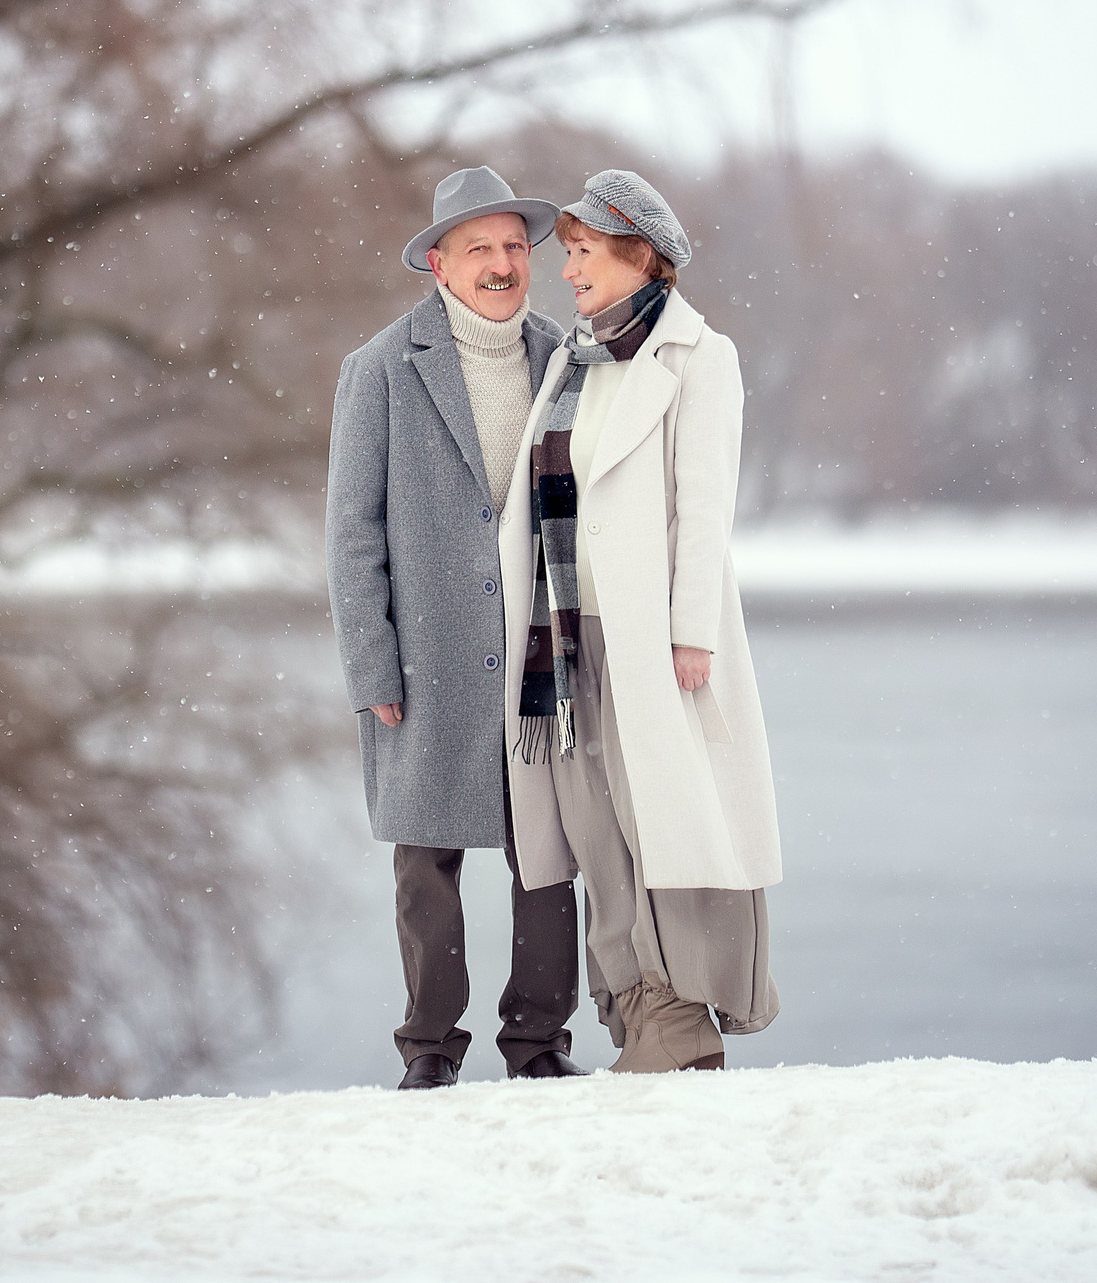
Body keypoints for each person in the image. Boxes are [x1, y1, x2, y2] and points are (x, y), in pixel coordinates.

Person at [498, 168, 782, 1072]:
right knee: (596, 828)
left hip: (652, 642)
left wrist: (690, 630)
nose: (567, 270)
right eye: (568, 254)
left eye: (582, 253)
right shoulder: (574, 362)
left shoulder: (702, 356)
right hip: (569, 638)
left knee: (667, 820)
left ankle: (680, 1022)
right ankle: (634, 1012)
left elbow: (704, 507)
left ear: (638, 251)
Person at [324, 166, 589, 1088]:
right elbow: (351, 534)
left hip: (539, 647)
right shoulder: (381, 368)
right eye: (481, 247)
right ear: (439, 262)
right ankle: (430, 1049)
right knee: (426, 862)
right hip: (426, 653)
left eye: (516, 246)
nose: (504, 263)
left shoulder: (566, 357)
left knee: (548, 852)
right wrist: (373, 669)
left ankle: (540, 1046)